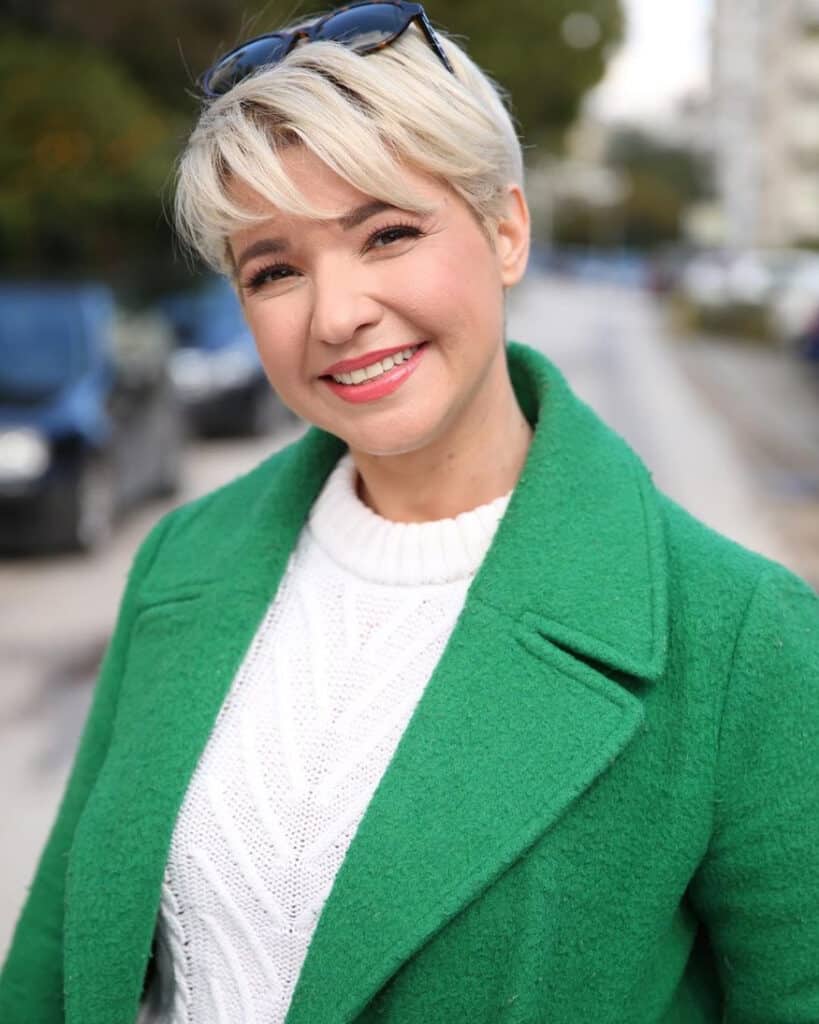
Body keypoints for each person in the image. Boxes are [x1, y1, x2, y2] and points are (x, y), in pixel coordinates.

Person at [2, 3, 818, 1021]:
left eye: (386, 234)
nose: (337, 314)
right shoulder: (181, 559)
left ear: (506, 230)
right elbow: (54, 959)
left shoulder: (742, 637)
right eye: (275, 270)